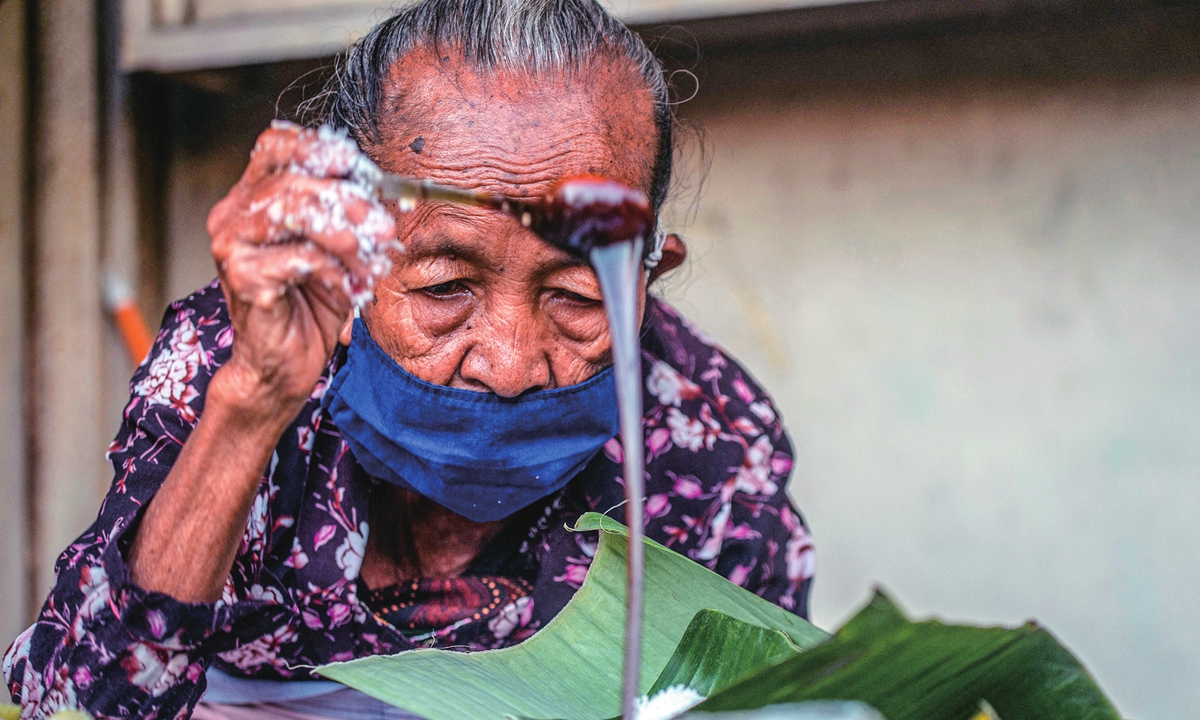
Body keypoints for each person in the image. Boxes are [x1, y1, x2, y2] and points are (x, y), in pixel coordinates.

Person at [4, 1, 815, 717]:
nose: (508, 364)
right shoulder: (236, 362)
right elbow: (77, 704)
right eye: (446, 286)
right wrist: (249, 406)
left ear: (648, 279)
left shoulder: (707, 456)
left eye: (578, 296)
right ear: (353, 263)